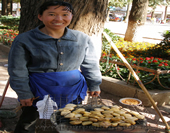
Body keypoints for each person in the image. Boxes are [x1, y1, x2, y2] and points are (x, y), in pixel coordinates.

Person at [8, 1, 102, 132]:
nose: (59, 19)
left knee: (71, 119)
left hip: (72, 89)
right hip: (38, 89)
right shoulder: (25, 40)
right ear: (40, 16)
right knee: (29, 121)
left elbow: (90, 63)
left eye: (65, 14)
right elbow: (17, 69)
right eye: (51, 14)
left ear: (71, 16)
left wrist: (94, 84)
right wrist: (24, 93)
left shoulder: (82, 38)